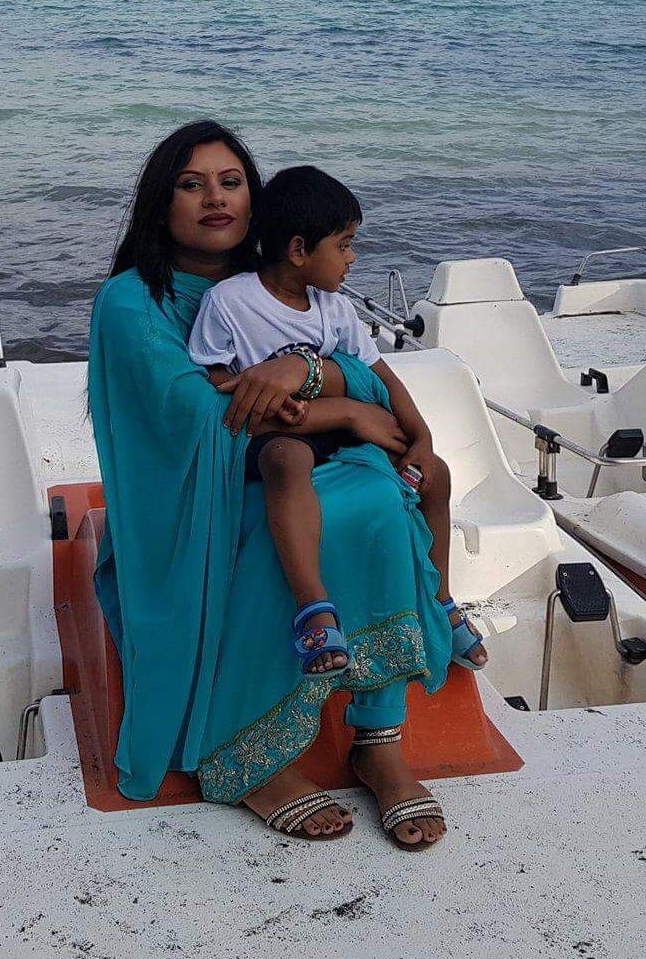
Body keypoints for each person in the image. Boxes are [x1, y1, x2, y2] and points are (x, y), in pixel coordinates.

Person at [88, 121, 454, 848]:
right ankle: (248, 755)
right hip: (194, 497)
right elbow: (211, 418)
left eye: (231, 182)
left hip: (294, 457)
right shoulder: (132, 303)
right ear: (160, 202)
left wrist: (307, 373)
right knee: (302, 519)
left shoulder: (285, 287)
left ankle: (379, 740)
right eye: (191, 185)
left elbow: (362, 373)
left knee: (381, 495)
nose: (215, 199)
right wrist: (341, 403)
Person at [186, 165, 486, 682]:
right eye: (344, 245)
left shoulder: (336, 309)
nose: (352, 258)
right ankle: (313, 608)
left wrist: (422, 438)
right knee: (287, 459)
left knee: (436, 475)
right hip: (271, 434)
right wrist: (263, 403)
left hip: (337, 430)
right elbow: (213, 380)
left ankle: (441, 600)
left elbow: (384, 378)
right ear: (299, 250)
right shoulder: (230, 303)